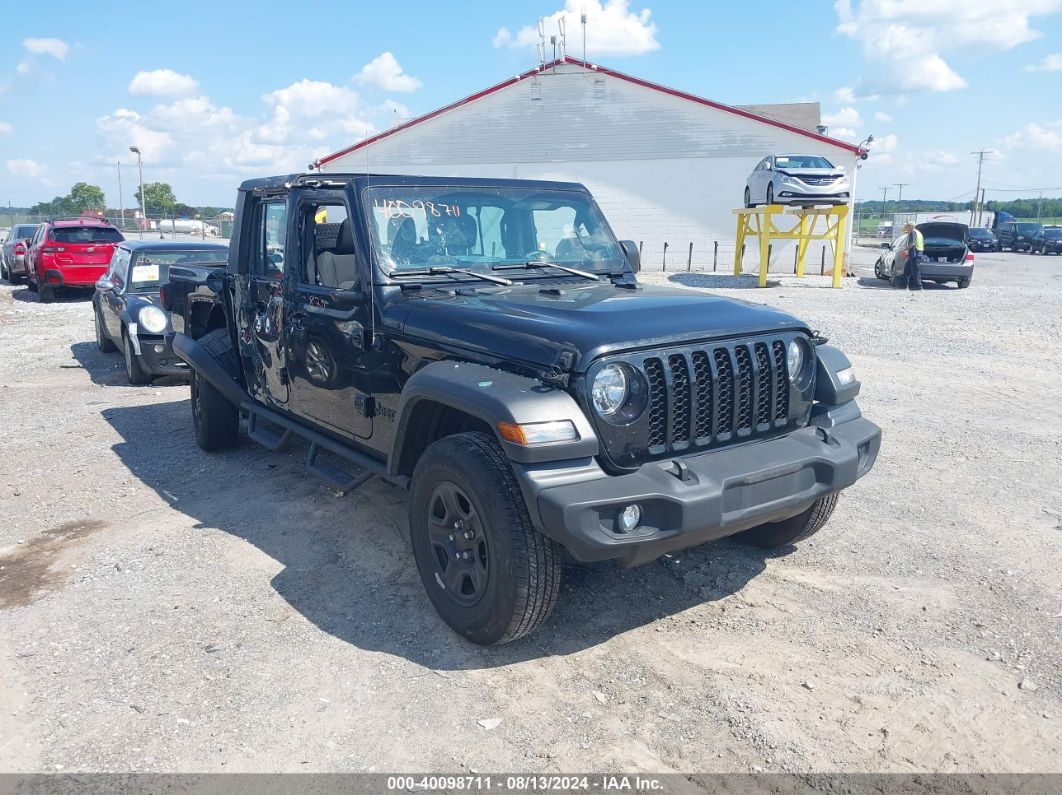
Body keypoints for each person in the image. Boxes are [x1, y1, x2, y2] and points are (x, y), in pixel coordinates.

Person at [901, 222, 924, 291]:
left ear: (910, 226)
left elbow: (912, 244)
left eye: (907, 226)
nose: (906, 227)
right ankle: (904, 285)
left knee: (915, 271)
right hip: (916, 254)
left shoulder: (912, 232)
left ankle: (919, 286)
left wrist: (905, 249)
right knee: (907, 270)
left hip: (914, 254)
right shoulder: (919, 233)